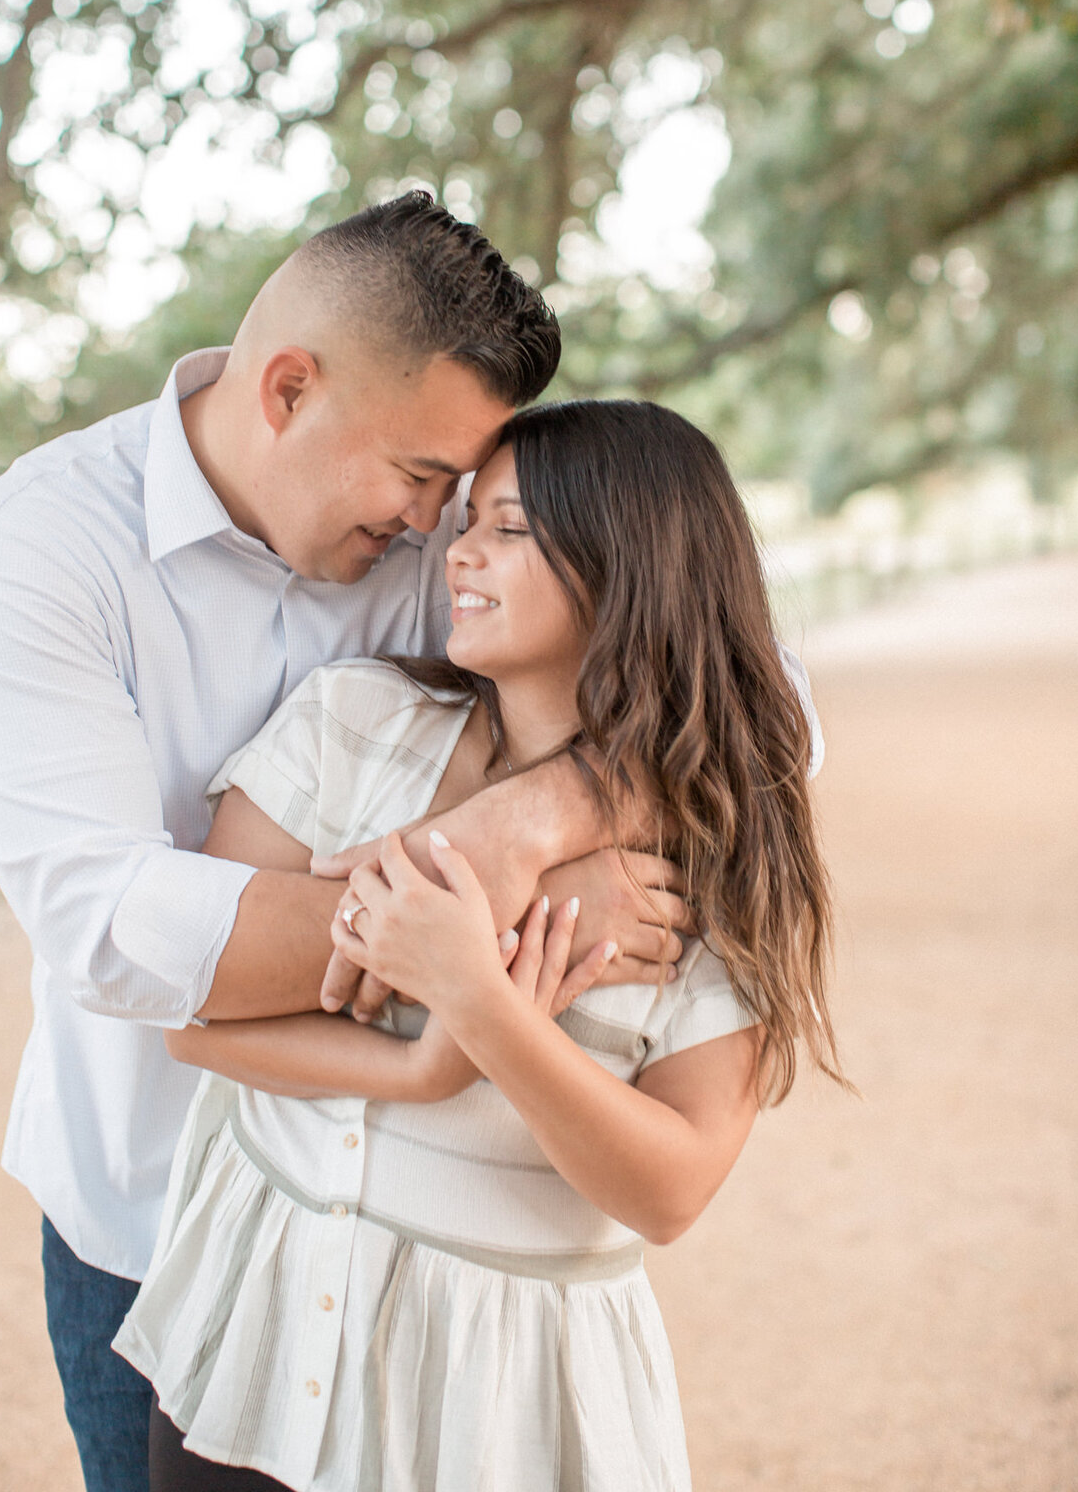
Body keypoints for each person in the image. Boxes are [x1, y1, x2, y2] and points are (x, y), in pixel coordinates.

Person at [0, 196, 701, 1492]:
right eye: (419, 478)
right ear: (288, 389)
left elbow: (755, 694)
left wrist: (536, 816)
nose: (440, 527)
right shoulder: (41, 550)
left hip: (415, 1241)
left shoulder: (438, 537)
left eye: (464, 493)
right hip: (151, 1214)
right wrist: (473, 904)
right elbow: (121, 938)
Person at [112, 398, 842, 1492]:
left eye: (510, 527)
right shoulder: (352, 723)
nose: (460, 551)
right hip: (250, 1342)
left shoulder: (714, 861)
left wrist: (485, 1007)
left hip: (492, 1411)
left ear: (628, 564)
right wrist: (426, 1061)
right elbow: (198, 1019)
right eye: (467, 521)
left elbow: (671, 1188)